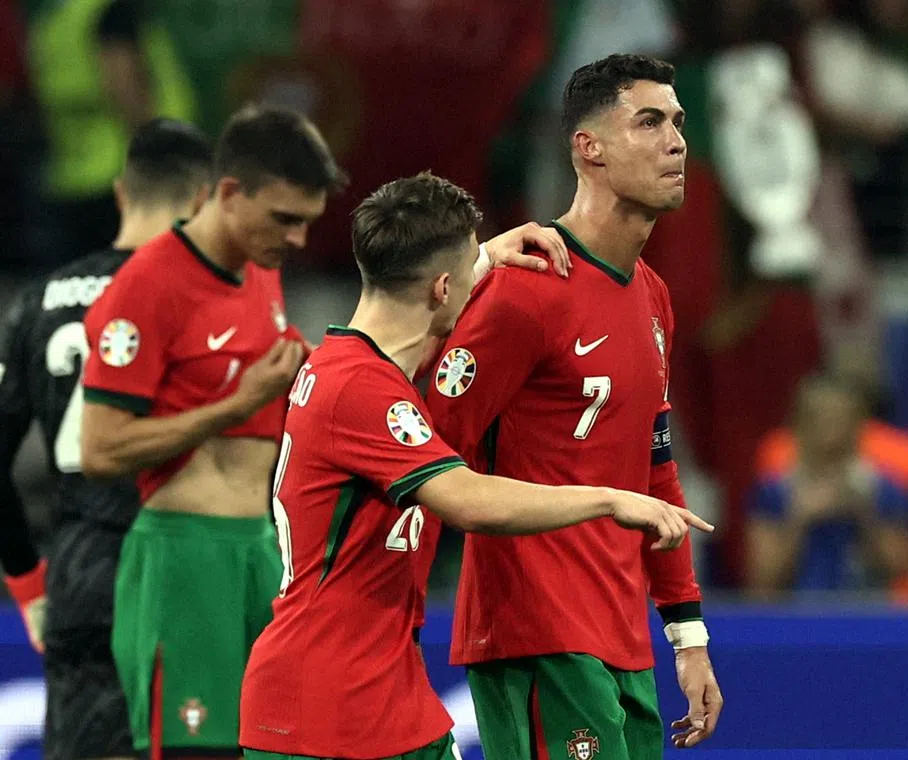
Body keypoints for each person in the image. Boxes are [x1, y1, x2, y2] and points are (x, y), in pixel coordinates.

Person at [79, 104, 578, 760]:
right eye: (284, 218)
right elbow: (98, 449)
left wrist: (476, 258)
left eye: (307, 222)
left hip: (269, 555)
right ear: (229, 193)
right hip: (186, 551)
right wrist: (236, 405)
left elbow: (381, 330)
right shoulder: (146, 284)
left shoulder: (261, 273)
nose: (296, 240)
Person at [238, 171, 711, 760]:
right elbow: (465, 499)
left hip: (389, 697)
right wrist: (609, 497)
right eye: (474, 275)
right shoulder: (359, 391)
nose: (486, 288)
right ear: (443, 287)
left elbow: (423, 322)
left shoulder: (352, 370)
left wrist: (481, 256)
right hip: (320, 710)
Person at [424, 54, 724, 758]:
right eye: (648, 122)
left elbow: (654, 468)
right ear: (588, 147)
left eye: (678, 123)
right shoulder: (526, 285)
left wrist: (687, 635)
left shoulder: (652, 297)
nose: (676, 142)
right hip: (534, 631)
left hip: (621, 634)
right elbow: (427, 450)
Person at [0, 117, 212, 760]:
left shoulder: (39, 300)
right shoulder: (198, 300)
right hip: (182, 575)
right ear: (204, 199)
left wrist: (27, 581)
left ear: (121, 192)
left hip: (80, 576)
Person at [746, 374, 908, 597]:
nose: (831, 432)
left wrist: (862, 512)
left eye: (840, 420)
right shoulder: (774, 492)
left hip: (865, 611)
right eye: (820, 419)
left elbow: (899, 568)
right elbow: (763, 579)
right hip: (795, 612)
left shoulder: (883, 488)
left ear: (859, 426)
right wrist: (801, 519)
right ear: (799, 425)